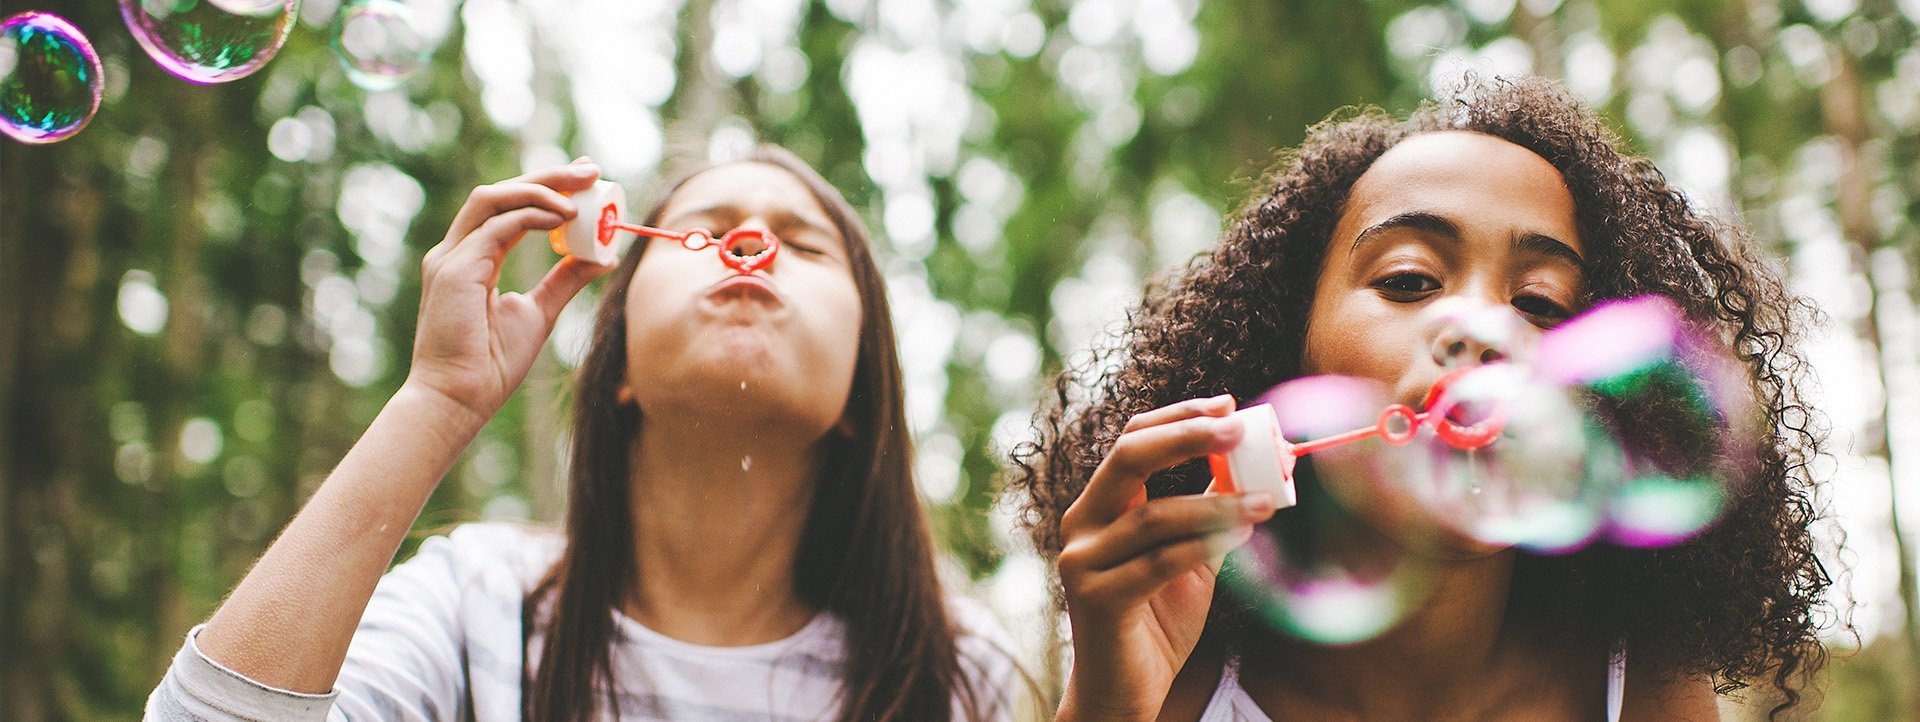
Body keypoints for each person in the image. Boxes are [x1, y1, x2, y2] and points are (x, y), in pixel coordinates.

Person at [1010, 76, 1830, 720]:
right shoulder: (1178, 687)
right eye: (1409, 280)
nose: (1478, 331)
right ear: (1288, 340)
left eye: (1540, 303)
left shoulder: (1636, 682)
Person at [146, 145, 1016, 721]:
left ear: (864, 388)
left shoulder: (949, 672)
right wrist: (436, 402)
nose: (748, 243)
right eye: (704, 232)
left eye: (804, 245)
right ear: (624, 368)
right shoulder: (474, 608)